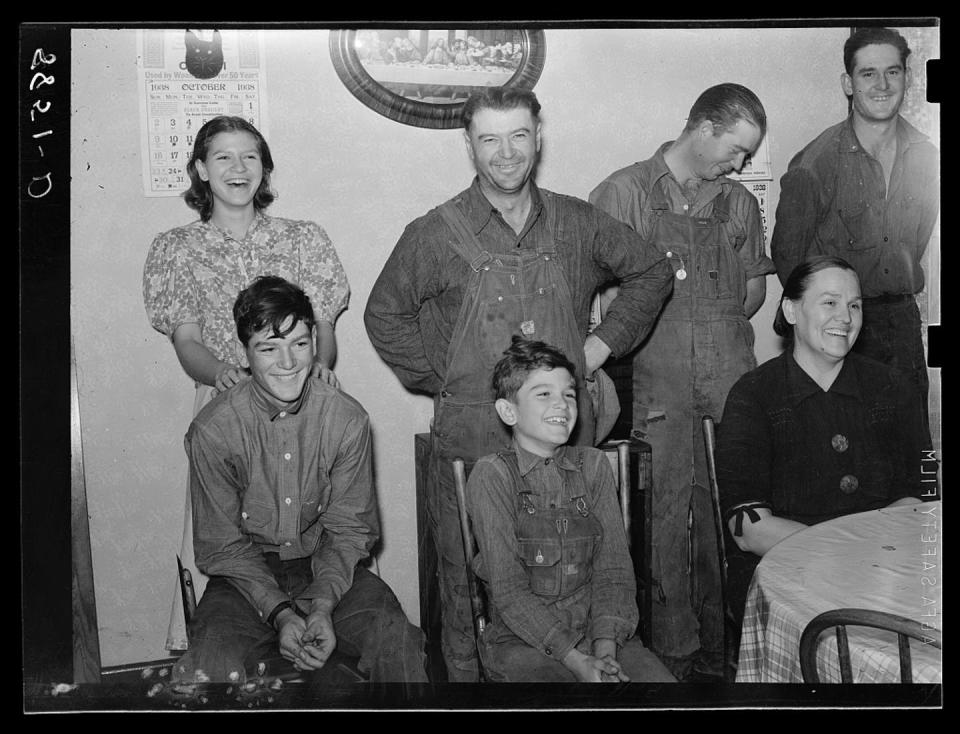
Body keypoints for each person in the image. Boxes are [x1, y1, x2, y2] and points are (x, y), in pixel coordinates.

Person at [364, 87, 673, 680]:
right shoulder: (435, 232)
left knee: (573, 566)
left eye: (518, 136)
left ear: (538, 136)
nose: (506, 153)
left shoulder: (577, 221)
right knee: (464, 584)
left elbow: (652, 273)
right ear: (469, 144)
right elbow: (385, 314)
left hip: (563, 428)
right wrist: (447, 382)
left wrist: (598, 346)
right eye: (489, 139)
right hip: (471, 431)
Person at [143, 115, 350, 652]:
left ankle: (317, 630)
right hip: (227, 403)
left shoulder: (304, 239)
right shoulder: (176, 249)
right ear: (200, 170)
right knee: (226, 539)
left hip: (302, 396)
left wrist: (318, 369)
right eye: (223, 157)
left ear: (265, 168)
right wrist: (222, 373)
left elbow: (323, 328)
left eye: (250, 157)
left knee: (319, 525)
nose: (238, 168)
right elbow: (186, 340)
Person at [588, 83, 774, 680]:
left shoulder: (738, 204)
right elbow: (605, 298)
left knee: (738, 507)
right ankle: (673, 655)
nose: (740, 164)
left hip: (729, 374)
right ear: (704, 128)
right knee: (664, 512)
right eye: (736, 149)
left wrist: (710, 333)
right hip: (654, 376)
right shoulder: (624, 193)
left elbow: (752, 293)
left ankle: (738, 649)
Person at [173, 275, 427, 684]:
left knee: (398, 640)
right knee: (210, 663)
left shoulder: (347, 419)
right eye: (269, 348)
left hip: (327, 565)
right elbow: (222, 547)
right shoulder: (213, 430)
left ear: (314, 342)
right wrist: (282, 613)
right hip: (245, 575)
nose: (288, 363)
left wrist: (322, 606)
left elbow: (349, 530)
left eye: (300, 344)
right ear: (246, 353)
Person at [716, 256, 938, 631]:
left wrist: (872, 556)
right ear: (790, 309)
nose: (846, 318)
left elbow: (922, 489)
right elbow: (748, 527)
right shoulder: (753, 395)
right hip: (785, 576)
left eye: (854, 305)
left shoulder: (895, 387)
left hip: (883, 568)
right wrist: (846, 554)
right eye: (830, 303)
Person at [465, 337, 677, 683]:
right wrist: (577, 661)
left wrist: (605, 651)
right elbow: (510, 593)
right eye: (543, 393)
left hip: (600, 634)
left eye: (568, 394)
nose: (562, 404)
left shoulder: (592, 466)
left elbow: (614, 571)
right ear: (508, 411)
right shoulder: (493, 476)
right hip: (524, 642)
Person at [770, 27, 939, 434]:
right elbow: (788, 259)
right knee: (843, 451)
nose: (882, 85)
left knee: (912, 453)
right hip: (838, 328)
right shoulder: (816, 163)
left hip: (901, 326)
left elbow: (915, 243)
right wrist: (827, 324)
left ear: (909, 79)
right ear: (848, 83)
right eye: (868, 74)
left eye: (893, 72)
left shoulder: (927, 157)